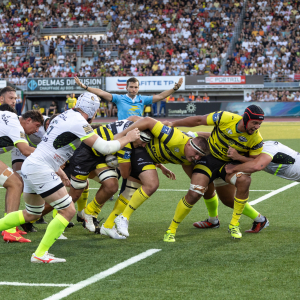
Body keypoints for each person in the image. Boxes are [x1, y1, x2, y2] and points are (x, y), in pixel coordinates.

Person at [0, 92, 140, 263]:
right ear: (93, 111)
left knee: (32, 213)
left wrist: (59, 170)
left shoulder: (66, 114)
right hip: (40, 168)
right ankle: (39, 254)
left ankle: (39, 252)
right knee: (68, 210)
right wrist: (128, 137)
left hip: (34, 165)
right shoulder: (78, 121)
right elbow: (104, 147)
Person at [162, 105, 265, 242]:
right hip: (208, 160)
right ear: (245, 119)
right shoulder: (225, 117)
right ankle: (171, 230)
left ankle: (237, 224)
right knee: (195, 193)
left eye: (259, 123)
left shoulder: (256, 139)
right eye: (254, 123)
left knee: (234, 192)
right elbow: (199, 120)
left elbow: (254, 162)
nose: (257, 126)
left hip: (229, 166)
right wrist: (174, 123)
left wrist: (238, 158)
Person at [106, 116, 210, 237]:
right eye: (196, 153)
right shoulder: (175, 138)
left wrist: (200, 186)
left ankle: (107, 224)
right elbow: (148, 121)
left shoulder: (188, 159)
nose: (197, 158)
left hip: (149, 158)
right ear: (188, 144)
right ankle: (122, 217)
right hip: (141, 148)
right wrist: (123, 135)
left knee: (131, 191)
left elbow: (193, 179)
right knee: (151, 184)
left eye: (200, 156)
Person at [0, 105, 44, 243]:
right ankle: (9, 229)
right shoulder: (15, 123)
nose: (37, 130)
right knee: (15, 183)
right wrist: (49, 156)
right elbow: (25, 150)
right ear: (28, 120)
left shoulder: (10, 120)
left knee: (16, 182)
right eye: (36, 126)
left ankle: (9, 224)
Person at [74, 76, 183, 120]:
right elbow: (102, 93)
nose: (133, 89)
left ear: (138, 88)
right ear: (126, 87)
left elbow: (160, 96)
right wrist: (85, 87)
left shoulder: (143, 99)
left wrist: (174, 89)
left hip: (138, 130)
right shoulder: (119, 98)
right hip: (122, 130)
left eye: (136, 87)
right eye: (131, 87)